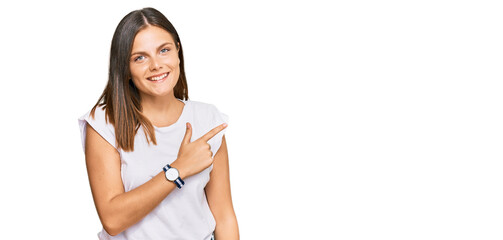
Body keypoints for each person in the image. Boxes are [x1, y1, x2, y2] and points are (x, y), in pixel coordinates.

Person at [78, 7, 239, 240]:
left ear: (177, 51)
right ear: (125, 67)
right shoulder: (105, 123)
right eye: (140, 57)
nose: (156, 65)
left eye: (164, 50)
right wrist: (178, 169)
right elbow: (112, 220)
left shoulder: (207, 120)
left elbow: (224, 216)